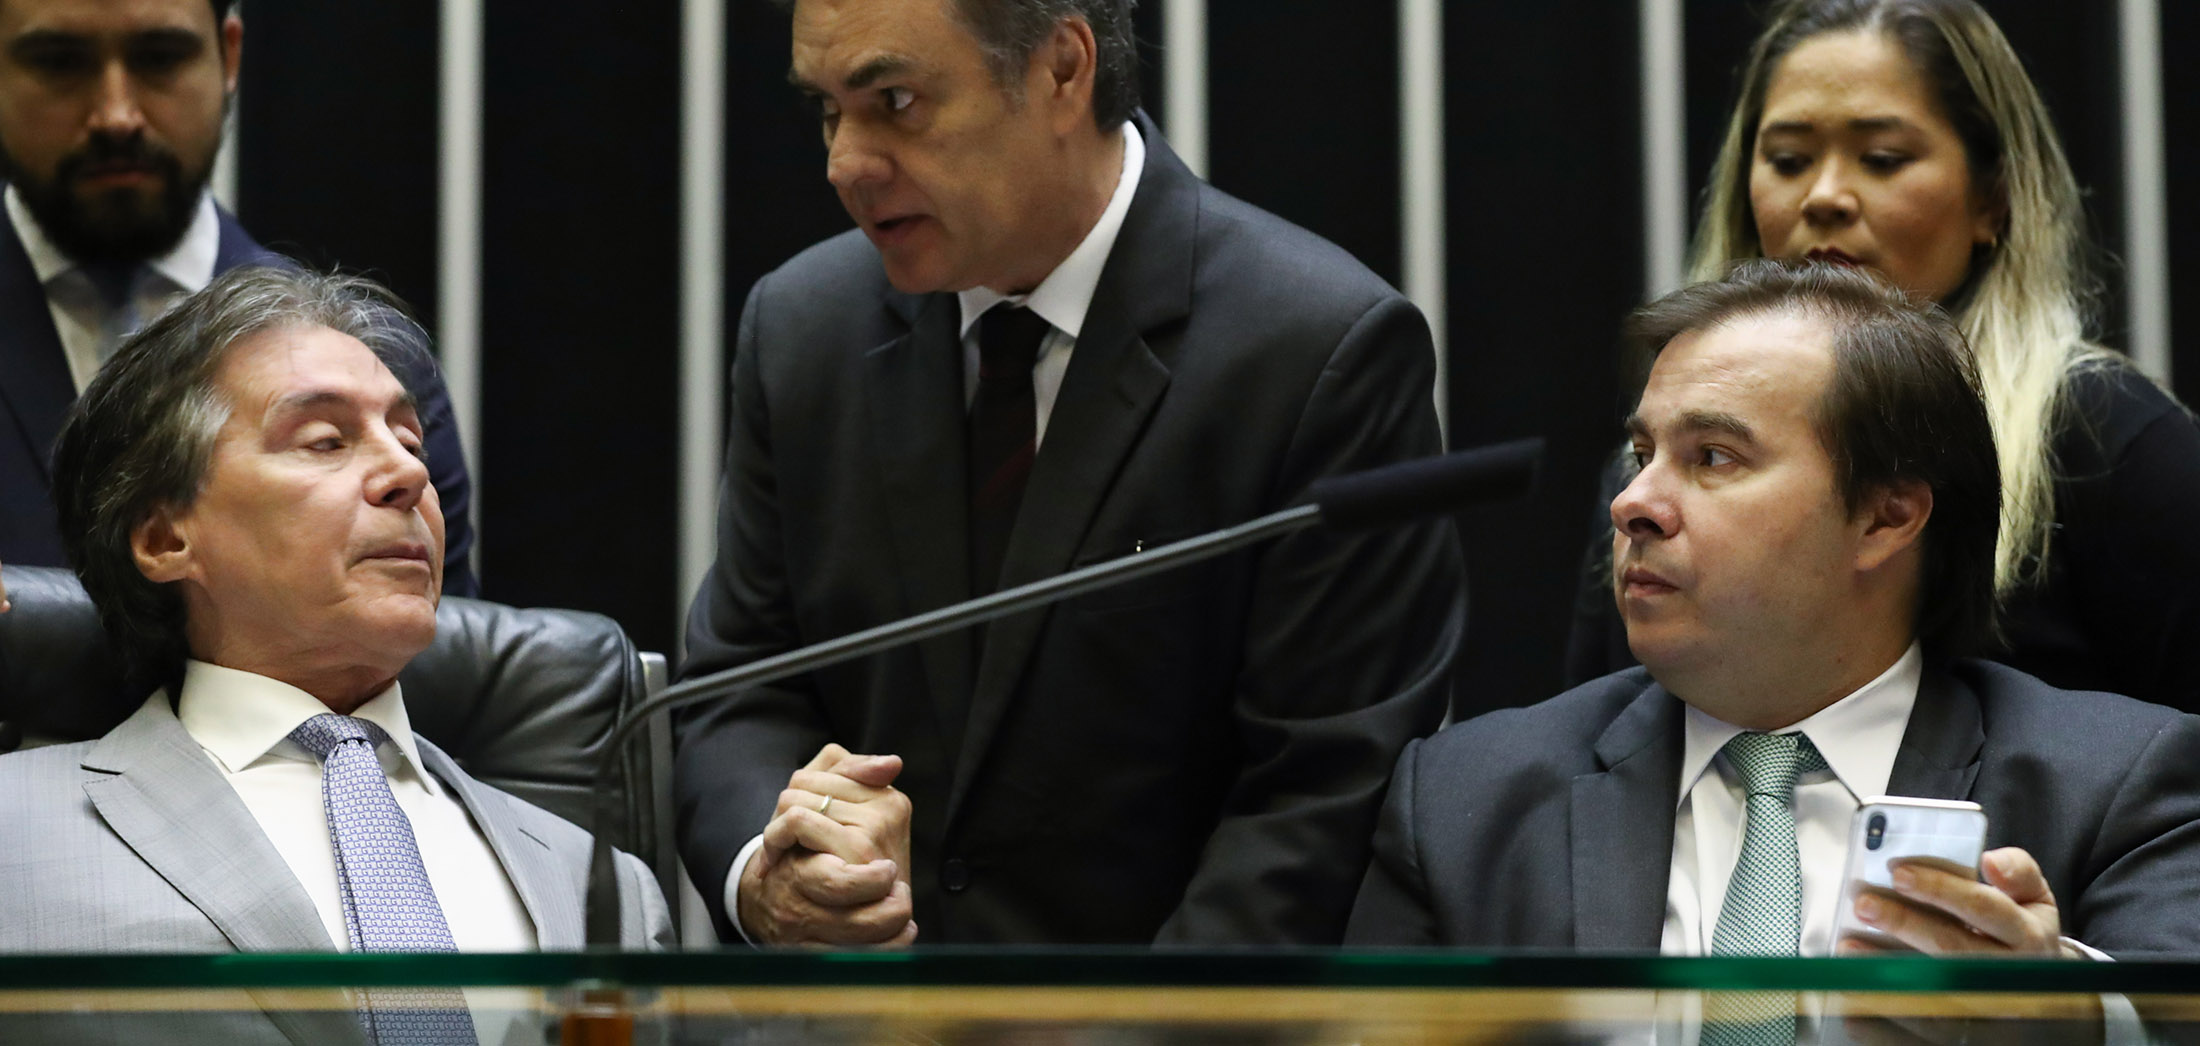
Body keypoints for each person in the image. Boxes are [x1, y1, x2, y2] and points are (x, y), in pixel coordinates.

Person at [674, 0, 1462, 946]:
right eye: (828, 111)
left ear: (1060, 68)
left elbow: (1323, 795)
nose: (846, 163)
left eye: (895, 100)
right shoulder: (806, 326)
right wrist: (771, 874)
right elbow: (740, 686)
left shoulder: (1317, 351)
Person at [1348, 261, 2200, 972]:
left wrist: (2064, 1011)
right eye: (1642, 456)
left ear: (1885, 517)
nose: (1632, 503)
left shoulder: (2117, 791)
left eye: (1712, 457)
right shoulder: (1465, 805)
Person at [0, 267, 670, 1044]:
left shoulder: (607, 883)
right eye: (326, 440)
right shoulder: (15, 826)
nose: (410, 474)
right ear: (164, 538)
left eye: (409, 438)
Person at [1564, 0, 2200, 711]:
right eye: (1788, 160)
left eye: (1883, 159)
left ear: (1993, 199)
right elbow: (1598, 748)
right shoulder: (1653, 472)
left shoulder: (2111, 442)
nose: (1826, 195)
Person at [0, 0, 476, 595]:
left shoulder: (373, 360)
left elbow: (438, 662)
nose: (116, 116)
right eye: (59, 63)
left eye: (160, 58)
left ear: (228, 55)